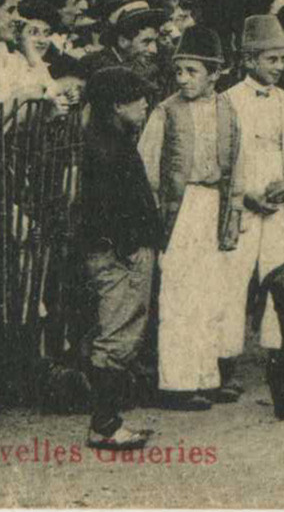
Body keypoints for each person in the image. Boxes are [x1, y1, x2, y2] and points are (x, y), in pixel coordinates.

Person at [135, 25, 244, 411]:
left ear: (215, 74)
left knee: (210, 293)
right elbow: (147, 168)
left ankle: (205, 376)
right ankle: (177, 383)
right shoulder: (165, 112)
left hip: (213, 205)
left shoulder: (227, 110)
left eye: (192, 71)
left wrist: (233, 213)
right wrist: (156, 218)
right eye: (179, 71)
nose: (183, 79)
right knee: (179, 294)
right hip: (179, 210)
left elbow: (237, 166)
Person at [73, 67, 163, 452]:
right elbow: (108, 208)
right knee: (118, 334)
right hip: (121, 255)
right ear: (116, 105)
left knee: (119, 332)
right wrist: (128, 248)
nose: (145, 104)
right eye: (137, 98)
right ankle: (105, 426)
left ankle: (108, 421)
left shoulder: (109, 139)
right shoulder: (108, 149)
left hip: (121, 251)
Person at [223, 13, 284, 369]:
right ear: (248, 60)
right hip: (241, 206)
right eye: (271, 59)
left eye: (282, 59)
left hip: (279, 207)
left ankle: (281, 356)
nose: (279, 67)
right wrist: (243, 194)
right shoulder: (225, 102)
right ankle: (224, 360)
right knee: (232, 280)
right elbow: (219, 159)